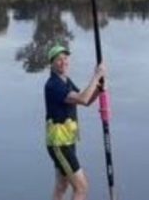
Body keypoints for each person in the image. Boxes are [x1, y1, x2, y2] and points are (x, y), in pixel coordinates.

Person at [44, 44, 106, 200]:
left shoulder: (66, 81)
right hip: (60, 144)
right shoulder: (53, 85)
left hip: (68, 141)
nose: (63, 62)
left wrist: (99, 89)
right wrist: (96, 76)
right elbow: (83, 99)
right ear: (51, 64)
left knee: (62, 186)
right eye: (59, 60)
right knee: (81, 188)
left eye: (65, 58)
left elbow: (86, 100)